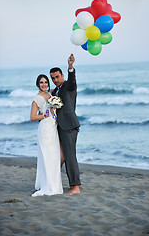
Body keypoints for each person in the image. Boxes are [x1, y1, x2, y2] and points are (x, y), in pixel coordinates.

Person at [50, 54, 81, 194]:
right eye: (53, 78)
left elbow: (72, 80)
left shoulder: (68, 85)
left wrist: (70, 67)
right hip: (59, 127)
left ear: (62, 75)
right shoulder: (56, 90)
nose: (55, 80)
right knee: (62, 156)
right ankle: (70, 184)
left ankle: (76, 187)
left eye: (57, 77)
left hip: (69, 126)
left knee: (70, 156)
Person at [30, 74, 63, 197]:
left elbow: (61, 87)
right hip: (44, 129)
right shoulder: (37, 99)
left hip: (53, 128)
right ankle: (47, 185)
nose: (44, 84)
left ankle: (54, 185)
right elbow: (32, 117)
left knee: (54, 156)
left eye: (45, 82)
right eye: (41, 82)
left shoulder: (50, 94)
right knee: (46, 157)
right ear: (38, 84)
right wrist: (44, 115)